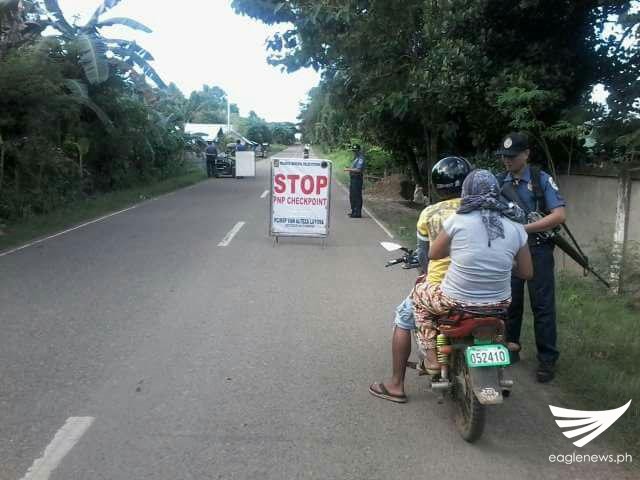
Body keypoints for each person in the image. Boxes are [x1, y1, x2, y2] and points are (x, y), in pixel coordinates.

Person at [368, 156, 471, 403]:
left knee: (404, 318)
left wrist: (425, 275)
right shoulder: (482, 212)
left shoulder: (430, 213)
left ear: (436, 186)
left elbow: (425, 256)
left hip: (442, 288)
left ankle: (396, 385)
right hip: (481, 288)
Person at [496, 132, 566, 383]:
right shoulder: (498, 182)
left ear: (526, 154)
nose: (507, 161)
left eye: (512, 156)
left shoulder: (540, 179)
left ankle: (547, 360)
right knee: (509, 303)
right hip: (509, 251)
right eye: (504, 157)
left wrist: (523, 229)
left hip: (537, 248)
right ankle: (510, 347)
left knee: (543, 306)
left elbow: (558, 216)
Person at [344, 144, 365, 218]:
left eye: (355, 151)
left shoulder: (361, 158)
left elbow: (358, 169)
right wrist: (349, 168)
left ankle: (357, 213)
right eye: (353, 151)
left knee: (357, 195)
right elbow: (354, 167)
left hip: (357, 179)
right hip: (353, 178)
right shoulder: (355, 158)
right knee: (352, 195)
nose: (354, 152)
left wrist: (348, 169)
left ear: (359, 151)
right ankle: (353, 211)